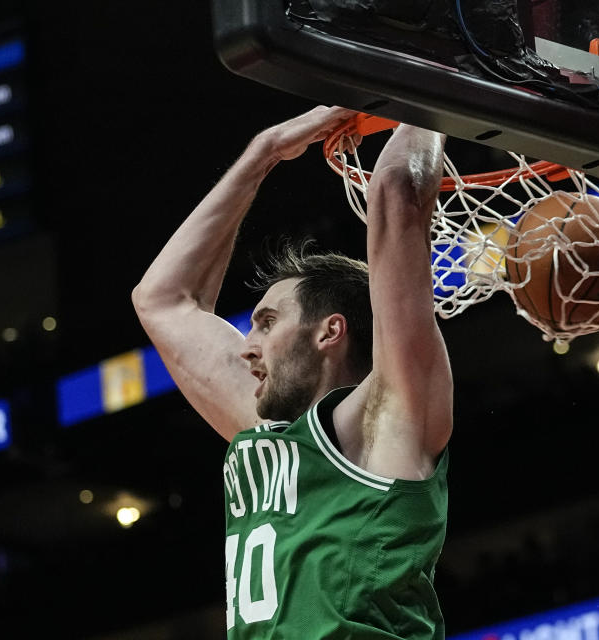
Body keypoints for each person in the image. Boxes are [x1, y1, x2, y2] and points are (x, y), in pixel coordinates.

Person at [131, 105, 453, 639]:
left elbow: (396, 194)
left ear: (330, 331)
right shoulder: (268, 432)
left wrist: (425, 87)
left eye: (266, 323)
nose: (245, 348)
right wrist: (263, 153)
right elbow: (162, 300)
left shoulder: (389, 419)